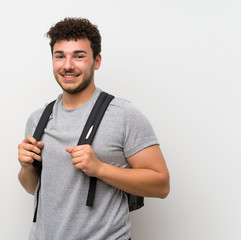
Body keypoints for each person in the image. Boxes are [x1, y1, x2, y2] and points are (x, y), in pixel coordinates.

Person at [18, 17, 170, 240]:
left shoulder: (124, 114)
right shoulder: (37, 119)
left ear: (96, 61)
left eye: (79, 56)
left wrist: (100, 169)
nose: (68, 65)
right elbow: (34, 188)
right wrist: (27, 168)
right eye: (60, 56)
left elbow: (161, 185)